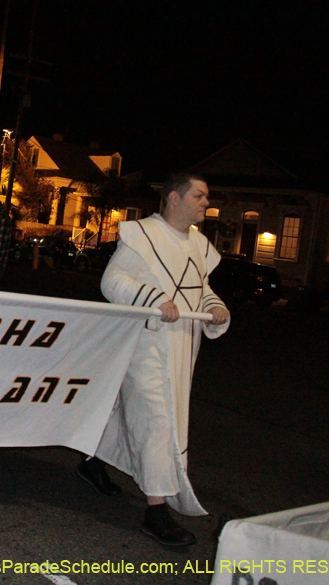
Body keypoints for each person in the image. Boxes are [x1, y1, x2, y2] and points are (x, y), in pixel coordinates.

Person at [78, 172, 230, 547]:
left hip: (181, 346)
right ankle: (156, 513)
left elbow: (200, 288)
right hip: (145, 344)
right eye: (199, 195)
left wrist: (215, 307)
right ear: (175, 198)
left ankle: (93, 462)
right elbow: (112, 281)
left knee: (132, 414)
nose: (205, 203)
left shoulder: (199, 244)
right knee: (156, 421)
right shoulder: (142, 234)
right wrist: (152, 300)